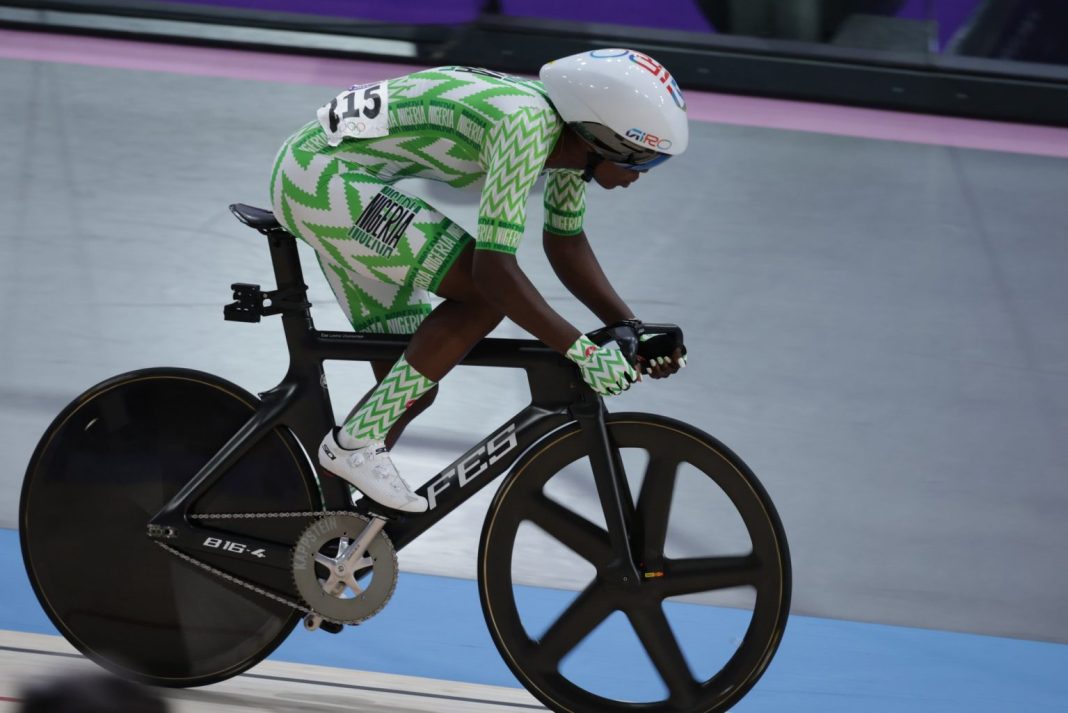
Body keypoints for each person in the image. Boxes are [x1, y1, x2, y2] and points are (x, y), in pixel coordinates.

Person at [270, 48, 688, 513]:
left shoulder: (570, 143)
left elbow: (566, 245)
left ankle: (320, 525)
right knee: (482, 298)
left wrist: (628, 327)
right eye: (644, 160)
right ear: (606, 139)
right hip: (319, 180)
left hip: (332, 177)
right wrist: (582, 351)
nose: (642, 175)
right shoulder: (526, 126)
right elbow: (494, 275)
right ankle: (353, 445)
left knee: (410, 387)